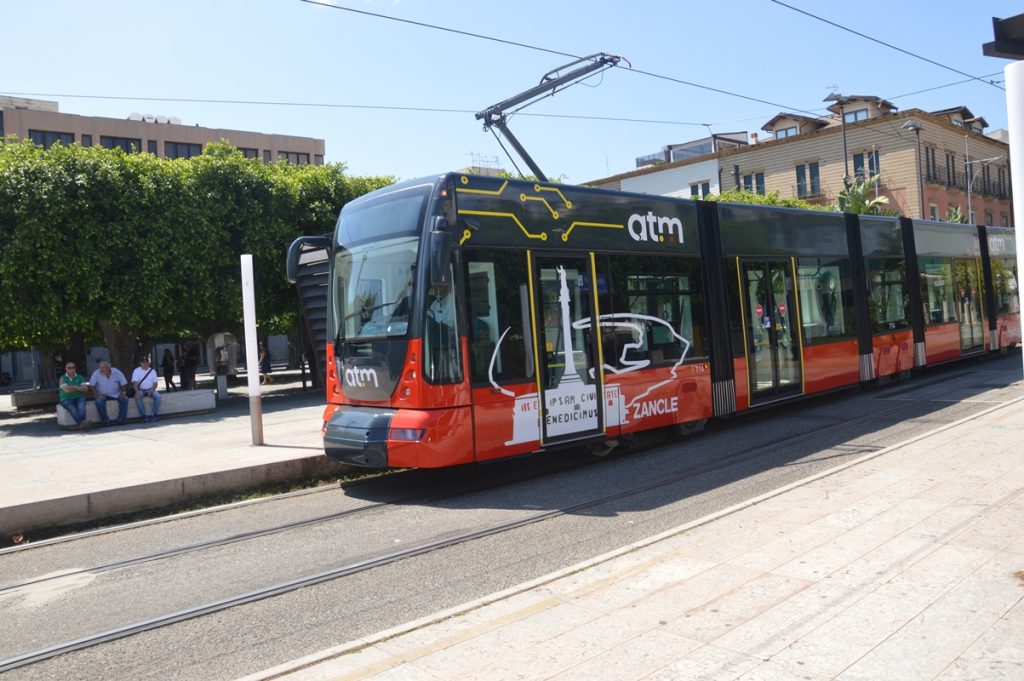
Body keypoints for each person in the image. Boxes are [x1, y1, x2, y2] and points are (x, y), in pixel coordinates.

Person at [89, 360, 129, 426]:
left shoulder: (116, 372)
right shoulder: (96, 373)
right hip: (102, 394)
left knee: (125, 399)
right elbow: (92, 385)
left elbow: (123, 382)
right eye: (101, 368)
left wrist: (123, 392)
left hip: (115, 393)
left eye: (104, 368)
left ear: (108, 368)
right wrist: (96, 395)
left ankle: (122, 420)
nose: (102, 370)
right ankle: (105, 421)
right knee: (99, 402)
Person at [58, 360, 90, 430]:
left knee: (82, 409)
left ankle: (83, 425)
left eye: (73, 367)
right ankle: (84, 424)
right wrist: (78, 387)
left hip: (79, 397)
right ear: (66, 369)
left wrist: (73, 387)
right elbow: (66, 390)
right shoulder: (62, 378)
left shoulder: (80, 377)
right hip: (66, 398)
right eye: (69, 368)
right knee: (73, 409)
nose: (72, 369)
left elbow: (85, 389)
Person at [131, 356, 161, 423]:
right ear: (140, 363)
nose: (145, 363)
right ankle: (144, 416)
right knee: (138, 397)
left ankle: (154, 414)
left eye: (146, 362)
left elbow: (155, 383)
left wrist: (152, 390)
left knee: (158, 396)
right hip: (140, 389)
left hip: (150, 389)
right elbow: (135, 383)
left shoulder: (152, 371)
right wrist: (137, 392)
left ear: (149, 363)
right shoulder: (136, 371)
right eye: (143, 362)